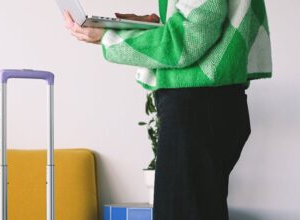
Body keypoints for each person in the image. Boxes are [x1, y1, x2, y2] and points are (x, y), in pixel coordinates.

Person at [64, 0, 272, 219]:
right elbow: (198, 23)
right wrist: (149, 25)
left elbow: (184, 41)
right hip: (207, 104)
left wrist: (108, 37)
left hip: (198, 107)